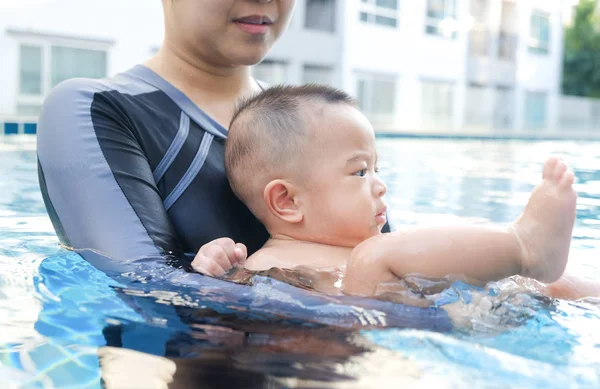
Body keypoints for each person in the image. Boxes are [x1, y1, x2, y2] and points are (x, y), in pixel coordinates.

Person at [38, 0, 393, 276]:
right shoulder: (98, 108)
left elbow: (389, 259)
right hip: (185, 368)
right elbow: (141, 285)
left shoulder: (317, 121)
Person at [224, 84, 600, 301]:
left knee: (543, 284)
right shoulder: (262, 266)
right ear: (288, 202)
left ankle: (546, 266)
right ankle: (524, 245)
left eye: (376, 168)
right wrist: (216, 262)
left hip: (442, 309)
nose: (379, 183)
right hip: (368, 330)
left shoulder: (366, 248)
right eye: (359, 171)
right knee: (374, 257)